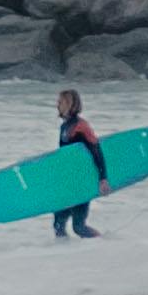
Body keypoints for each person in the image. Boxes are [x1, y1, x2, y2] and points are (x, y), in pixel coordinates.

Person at [50, 81, 109, 241]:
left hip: (81, 182)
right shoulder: (65, 126)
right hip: (68, 182)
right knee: (58, 224)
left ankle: (106, 244)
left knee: (79, 227)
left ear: (70, 104)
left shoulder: (81, 126)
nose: (57, 105)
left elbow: (96, 150)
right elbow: (66, 157)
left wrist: (103, 178)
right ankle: (66, 257)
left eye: (60, 102)